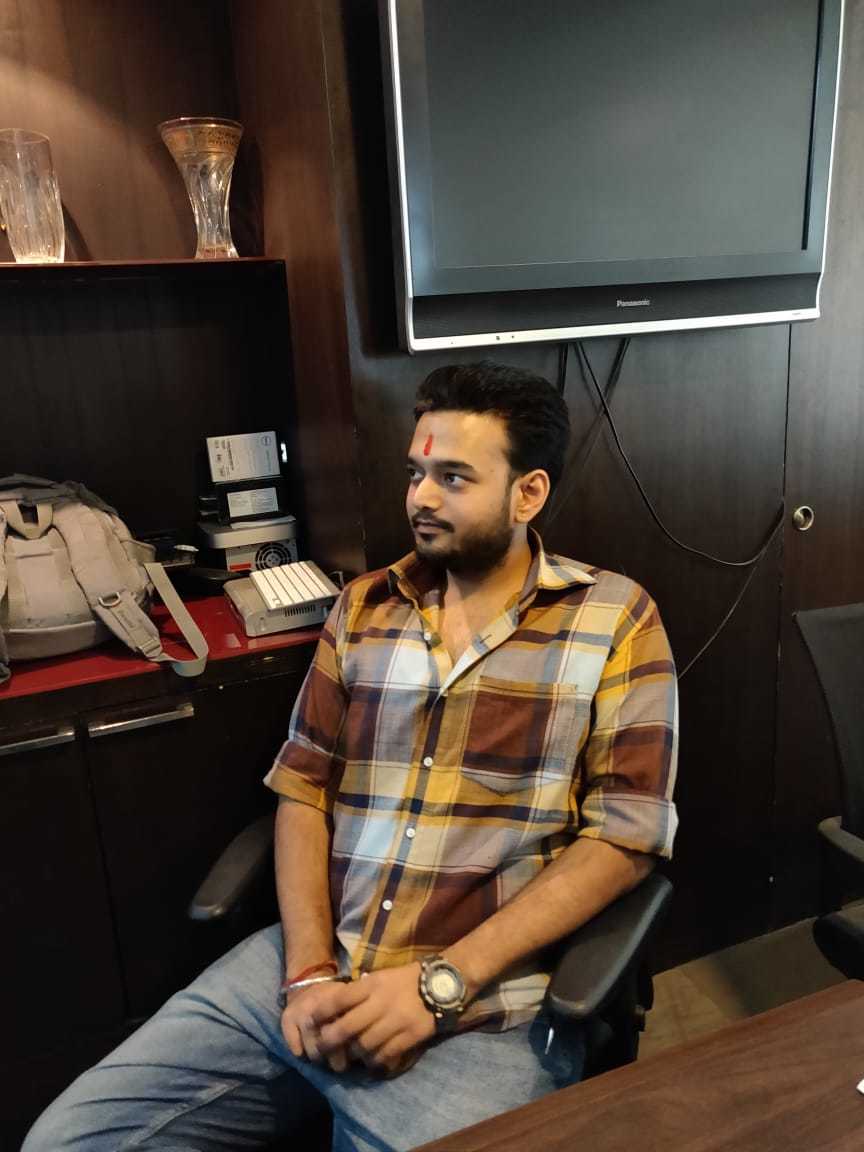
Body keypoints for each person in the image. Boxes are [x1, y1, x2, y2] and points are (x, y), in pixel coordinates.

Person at [24, 362, 678, 1152]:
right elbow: (303, 789)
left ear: (528, 493)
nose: (420, 497)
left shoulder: (614, 619)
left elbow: (624, 837)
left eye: (453, 477)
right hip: (312, 968)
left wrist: (438, 986)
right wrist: (306, 972)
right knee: (67, 1140)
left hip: (483, 1008)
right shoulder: (363, 607)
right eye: (415, 473)